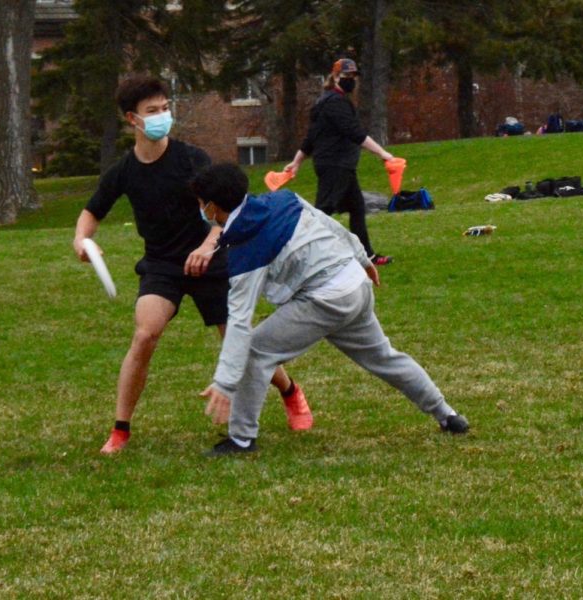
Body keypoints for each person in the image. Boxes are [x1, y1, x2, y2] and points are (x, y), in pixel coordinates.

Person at [72, 75, 311, 455]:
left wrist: (207, 245)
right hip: (162, 264)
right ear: (132, 119)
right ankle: (120, 430)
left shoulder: (191, 159)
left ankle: (290, 391)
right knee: (144, 334)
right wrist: (82, 240)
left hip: (209, 259)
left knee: (235, 338)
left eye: (165, 108)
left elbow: (226, 215)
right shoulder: (123, 171)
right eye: (153, 111)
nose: (162, 116)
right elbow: (91, 213)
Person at [193, 163, 470, 456]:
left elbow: (238, 321)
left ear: (212, 208)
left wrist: (224, 382)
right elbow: (330, 225)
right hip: (354, 283)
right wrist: (363, 259)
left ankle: (241, 440)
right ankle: (448, 415)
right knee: (385, 357)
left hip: (326, 298)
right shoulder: (284, 199)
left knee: (255, 350)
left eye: (201, 204)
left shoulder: (245, 251)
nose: (201, 211)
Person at [285, 58, 394, 267]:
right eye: (346, 76)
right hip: (335, 164)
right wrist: (383, 153)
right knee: (322, 212)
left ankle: (366, 256)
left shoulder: (325, 102)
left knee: (357, 208)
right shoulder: (335, 103)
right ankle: (300, 257)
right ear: (335, 77)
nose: (351, 80)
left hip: (339, 164)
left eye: (353, 76)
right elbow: (355, 132)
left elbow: (311, 137)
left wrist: (296, 162)